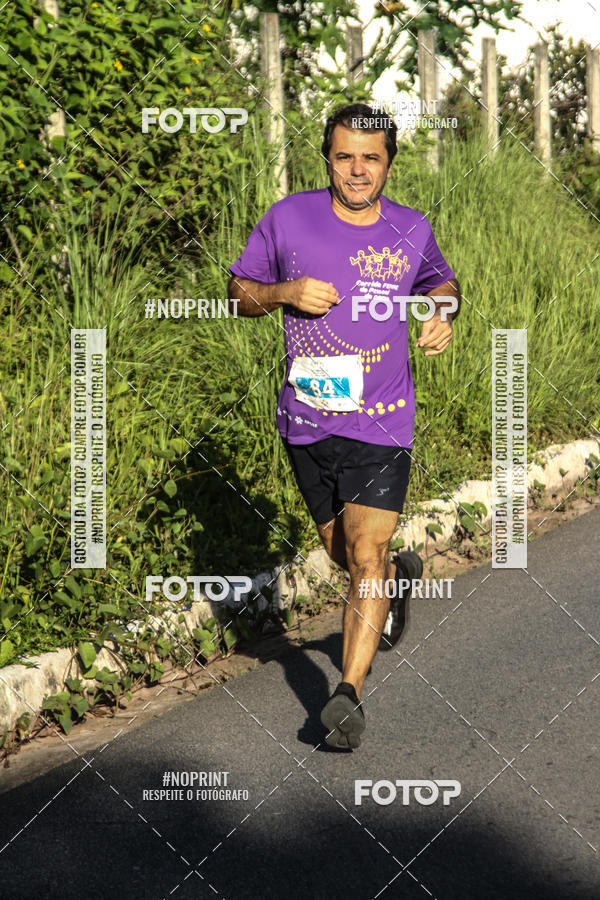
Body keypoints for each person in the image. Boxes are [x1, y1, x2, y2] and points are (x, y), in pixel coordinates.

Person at [228, 103, 460, 749]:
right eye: (344, 156)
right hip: (306, 421)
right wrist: (283, 292)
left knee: (367, 554)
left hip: (383, 421)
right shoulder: (288, 218)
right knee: (346, 557)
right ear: (327, 156)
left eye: (372, 157)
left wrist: (442, 314)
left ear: (389, 162)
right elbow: (238, 293)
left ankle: (347, 696)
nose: (358, 170)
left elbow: (442, 281)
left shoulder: (409, 227)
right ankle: (396, 582)